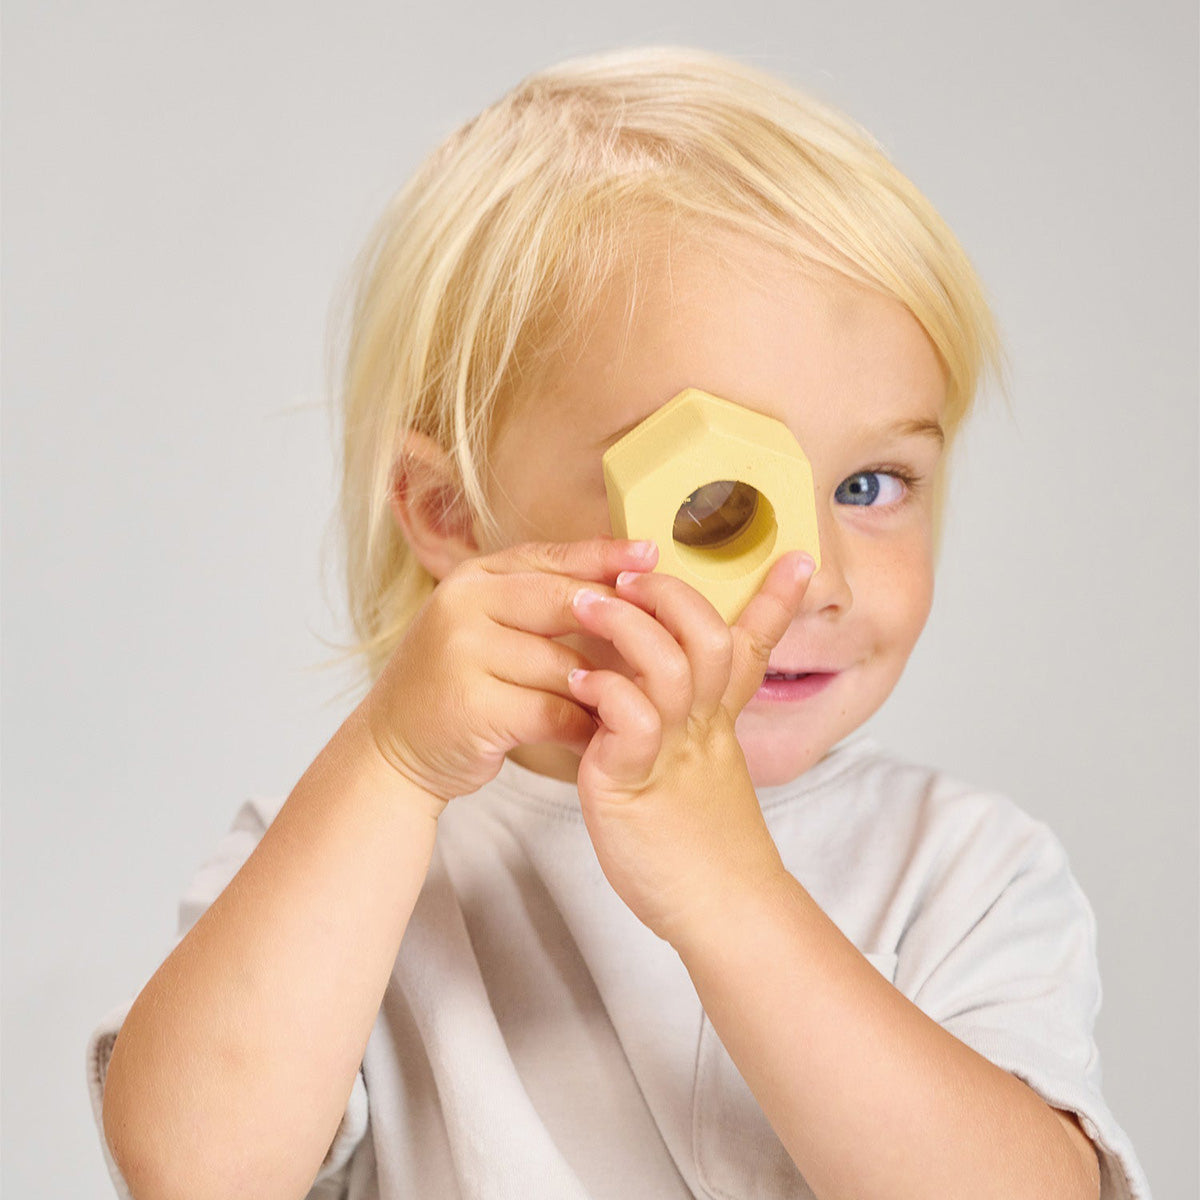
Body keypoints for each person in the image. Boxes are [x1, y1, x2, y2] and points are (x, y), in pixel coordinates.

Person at [86, 45, 1152, 1200]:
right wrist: (392, 763)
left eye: (869, 486)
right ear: (451, 513)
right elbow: (195, 1172)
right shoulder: (357, 851)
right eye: (722, 507)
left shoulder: (957, 869)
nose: (820, 578)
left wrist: (729, 893)